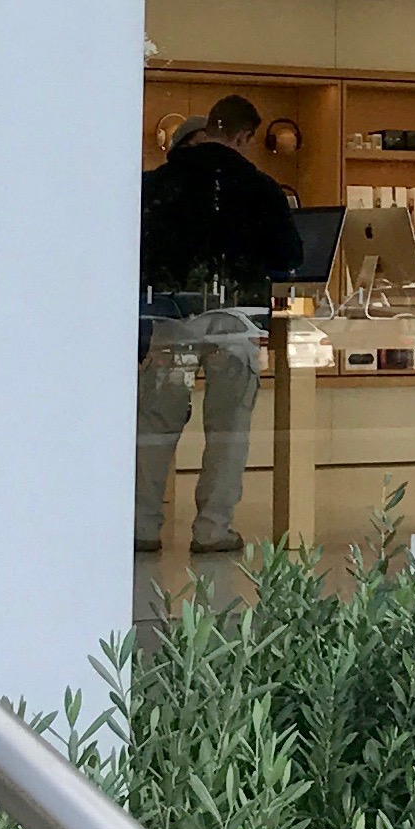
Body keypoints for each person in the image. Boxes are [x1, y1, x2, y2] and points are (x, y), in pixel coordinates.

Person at [134, 96, 300, 555]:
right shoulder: (261, 187)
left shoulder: (158, 184)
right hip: (237, 320)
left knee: (156, 424)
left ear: (208, 126)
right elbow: (288, 257)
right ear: (246, 137)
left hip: (171, 318)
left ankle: (143, 524)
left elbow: (137, 250)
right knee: (228, 429)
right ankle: (212, 529)